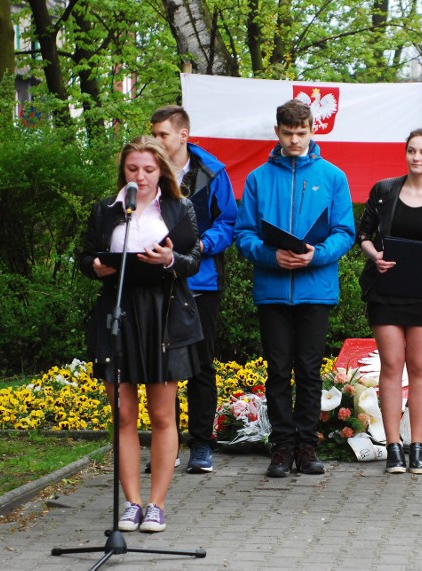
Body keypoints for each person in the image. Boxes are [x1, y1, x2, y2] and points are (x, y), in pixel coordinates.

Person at [79, 136, 202, 532]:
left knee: (163, 414)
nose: (141, 177)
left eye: (148, 169)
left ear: (161, 171)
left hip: (164, 315)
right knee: (124, 415)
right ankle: (131, 503)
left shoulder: (180, 208)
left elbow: (194, 259)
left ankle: (157, 504)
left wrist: (171, 259)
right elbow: (84, 255)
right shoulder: (107, 209)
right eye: (133, 169)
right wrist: (94, 267)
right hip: (118, 312)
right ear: (124, 172)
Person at [234, 100, 355, 478]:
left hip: (315, 289)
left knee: (308, 371)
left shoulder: (333, 176)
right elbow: (243, 236)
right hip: (272, 290)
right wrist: (272, 256)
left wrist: (315, 255)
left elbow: (345, 232)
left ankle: (307, 447)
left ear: (312, 130)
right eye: (288, 133)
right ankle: (281, 449)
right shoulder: (257, 179)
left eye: (301, 133)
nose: (294, 140)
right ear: (277, 132)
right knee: (277, 370)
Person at [357, 127, 422, 475]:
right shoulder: (384, 191)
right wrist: (376, 256)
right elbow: (363, 234)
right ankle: (393, 448)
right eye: (412, 151)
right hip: (386, 290)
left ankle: (418, 445)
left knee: (419, 366)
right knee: (391, 364)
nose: (416, 158)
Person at [150, 105, 238, 474]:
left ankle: (201, 445)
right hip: (154, 283)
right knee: (158, 368)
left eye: (162, 135)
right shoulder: (145, 172)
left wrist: (201, 245)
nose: (156, 141)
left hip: (200, 283)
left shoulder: (212, 172)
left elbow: (229, 221)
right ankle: (165, 447)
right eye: (152, 134)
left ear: (183, 136)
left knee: (200, 366)